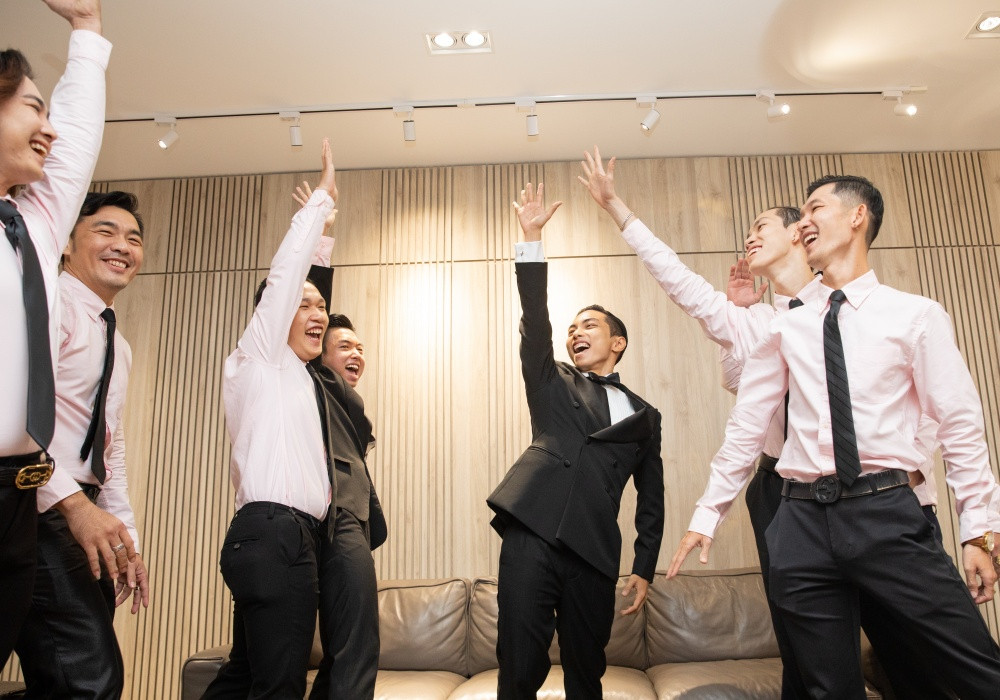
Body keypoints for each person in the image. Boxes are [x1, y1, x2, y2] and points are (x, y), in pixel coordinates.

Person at [668, 174, 1000, 698]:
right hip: (799, 521)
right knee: (826, 688)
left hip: (885, 512)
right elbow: (747, 426)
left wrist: (977, 530)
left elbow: (960, 424)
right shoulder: (784, 325)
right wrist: (707, 515)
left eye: (814, 208)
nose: (802, 222)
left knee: (975, 670)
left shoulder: (915, 315)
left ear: (857, 216)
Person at [486, 182, 664, 699]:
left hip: (594, 549)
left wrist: (644, 567)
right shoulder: (551, 378)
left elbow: (651, 498)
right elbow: (535, 322)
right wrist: (531, 241)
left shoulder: (646, 416)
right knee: (519, 666)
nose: (576, 333)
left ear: (618, 342)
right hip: (532, 531)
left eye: (589, 325)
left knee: (587, 673)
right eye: (572, 328)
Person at [0, 0, 128, 668]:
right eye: (32, 107)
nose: (49, 128)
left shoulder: (33, 224)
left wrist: (87, 33)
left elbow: (76, 138)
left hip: (17, 491)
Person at [203, 140, 337, 698]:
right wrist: (318, 204)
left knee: (244, 677)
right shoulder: (260, 356)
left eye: (321, 307)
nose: (318, 313)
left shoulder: (299, 375)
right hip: (275, 532)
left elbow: (311, 291)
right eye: (303, 306)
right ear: (273, 316)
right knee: (279, 687)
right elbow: (286, 279)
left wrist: (323, 237)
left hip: (278, 537)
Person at [13, 191, 150, 695]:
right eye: (105, 231)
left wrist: (125, 538)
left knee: (65, 673)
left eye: (133, 238)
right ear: (67, 244)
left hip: (80, 510)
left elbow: (109, 447)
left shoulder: (119, 344)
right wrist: (73, 506)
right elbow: (14, 417)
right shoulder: (48, 306)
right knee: (89, 678)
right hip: (36, 502)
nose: (122, 246)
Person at [307, 313, 386, 699]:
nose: (357, 354)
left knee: (342, 652)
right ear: (319, 354)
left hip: (345, 521)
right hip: (334, 521)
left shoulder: (346, 403)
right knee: (356, 648)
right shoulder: (313, 379)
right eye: (345, 347)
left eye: (360, 348)